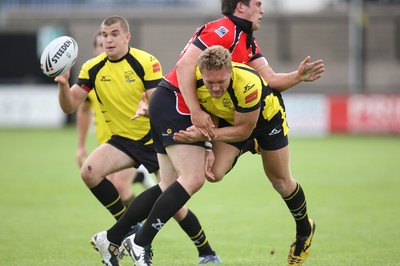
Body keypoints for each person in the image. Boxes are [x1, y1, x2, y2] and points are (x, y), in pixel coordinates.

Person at [54, 15, 220, 265]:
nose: (108, 40)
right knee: (89, 171)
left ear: (126, 37)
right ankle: (128, 232)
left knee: (173, 204)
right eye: (104, 35)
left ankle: (206, 250)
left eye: (114, 34)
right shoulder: (92, 68)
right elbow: (70, 107)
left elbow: (159, 100)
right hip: (122, 140)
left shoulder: (145, 61)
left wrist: (147, 106)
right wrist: (63, 86)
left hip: (153, 139)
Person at [169, 1, 323, 265]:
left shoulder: (246, 39)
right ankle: (245, 144)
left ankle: (304, 229)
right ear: (240, 6)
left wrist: (297, 76)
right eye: (258, 3)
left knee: (280, 182)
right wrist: (195, 112)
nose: (262, 9)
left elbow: (271, 80)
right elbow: (184, 66)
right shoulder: (223, 30)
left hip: (265, 117)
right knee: (214, 173)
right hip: (237, 120)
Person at [75, 31, 156, 207]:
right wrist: (81, 145)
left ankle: (132, 228)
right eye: (99, 44)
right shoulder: (92, 77)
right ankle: (140, 178)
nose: (103, 46)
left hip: (134, 140)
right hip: (108, 142)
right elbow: (83, 111)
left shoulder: (131, 69)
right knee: (110, 186)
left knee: (120, 186)